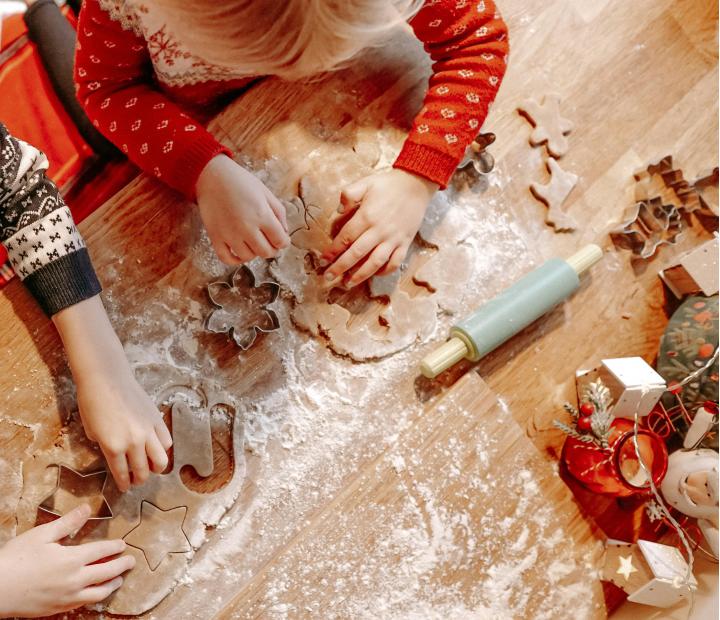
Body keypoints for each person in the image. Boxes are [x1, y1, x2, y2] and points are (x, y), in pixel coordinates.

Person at [73, 0, 509, 287]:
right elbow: (105, 89)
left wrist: (418, 177)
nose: (295, 75)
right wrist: (203, 170)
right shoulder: (128, 7)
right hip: (177, 105)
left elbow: (477, 40)